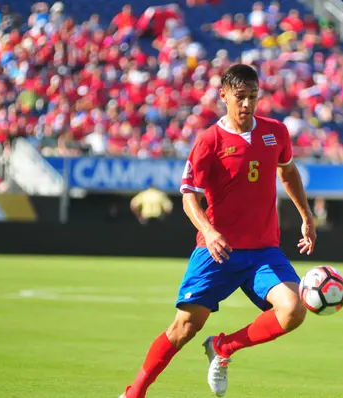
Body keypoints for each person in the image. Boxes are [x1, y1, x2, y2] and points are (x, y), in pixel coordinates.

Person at [120, 64, 316, 398]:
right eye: (240, 97)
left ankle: (224, 347)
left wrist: (306, 215)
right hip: (217, 251)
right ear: (223, 95)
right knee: (183, 329)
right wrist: (209, 232)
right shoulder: (208, 141)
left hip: (263, 251)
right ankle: (133, 393)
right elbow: (188, 197)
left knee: (294, 309)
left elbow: (288, 172)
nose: (247, 105)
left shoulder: (275, 132)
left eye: (253, 97)